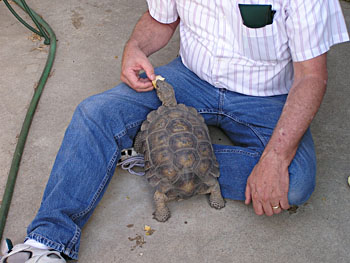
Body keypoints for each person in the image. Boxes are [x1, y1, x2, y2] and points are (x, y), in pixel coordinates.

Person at [1, 0, 349, 262]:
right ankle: (48, 243)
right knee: (96, 114)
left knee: (296, 178)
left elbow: (311, 76)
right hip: (188, 78)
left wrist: (275, 157)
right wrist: (135, 48)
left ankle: (158, 159)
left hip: (264, 97)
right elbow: (159, 19)